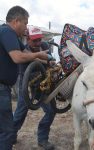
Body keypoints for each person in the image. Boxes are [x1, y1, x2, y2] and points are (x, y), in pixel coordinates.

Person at [0, 6, 51, 150]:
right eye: (25, 23)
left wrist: (48, 59)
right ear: (16, 21)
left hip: (5, 89)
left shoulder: (12, 37)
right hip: (4, 88)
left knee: (6, 130)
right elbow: (18, 57)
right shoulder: (6, 31)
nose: (26, 27)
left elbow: (27, 54)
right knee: (6, 131)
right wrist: (38, 55)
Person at [12, 26, 56, 150]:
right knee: (21, 111)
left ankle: (42, 139)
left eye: (39, 40)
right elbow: (27, 71)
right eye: (34, 40)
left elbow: (50, 63)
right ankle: (11, 135)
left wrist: (51, 63)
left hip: (42, 83)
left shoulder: (45, 46)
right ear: (28, 39)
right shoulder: (23, 51)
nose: (37, 43)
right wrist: (45, 60)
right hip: (26, 82)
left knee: (51, 111)